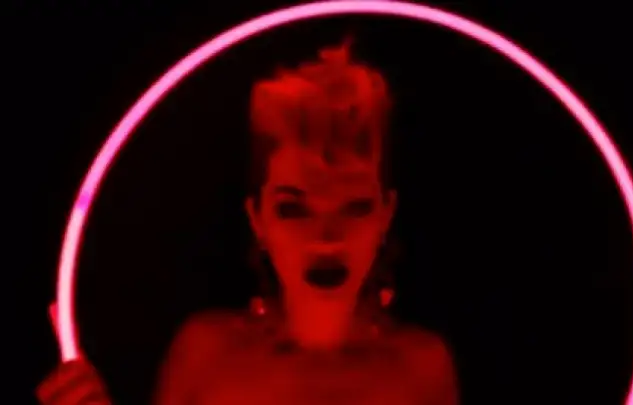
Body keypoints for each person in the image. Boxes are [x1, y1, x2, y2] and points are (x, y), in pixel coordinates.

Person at [36, 40, 459, 405]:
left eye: (355, 207)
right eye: (294, 209)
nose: (326, 236)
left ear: (386, 214)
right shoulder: (205, 353)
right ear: (257, 218)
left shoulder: (422, 367)